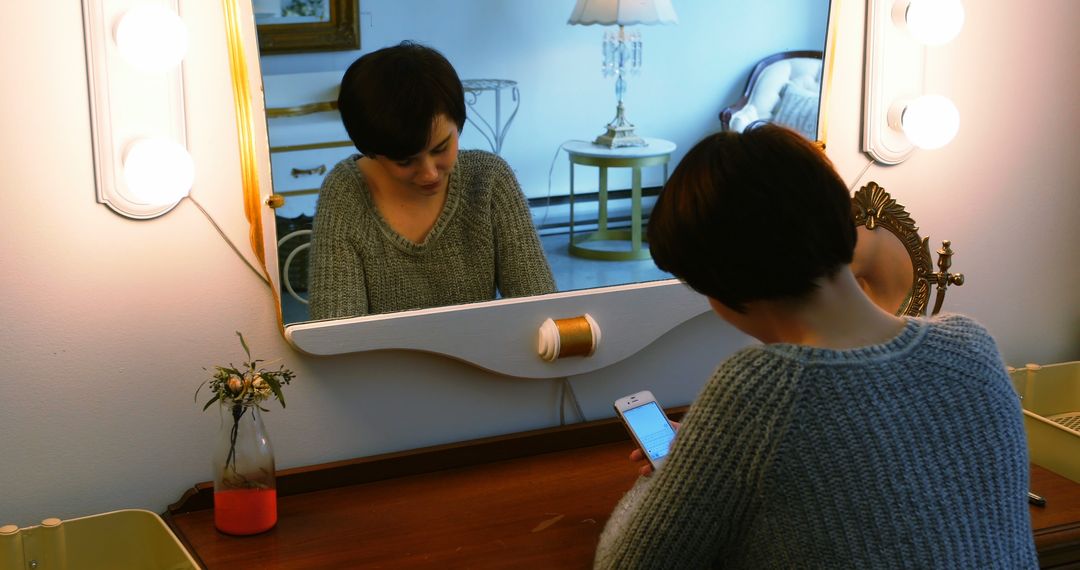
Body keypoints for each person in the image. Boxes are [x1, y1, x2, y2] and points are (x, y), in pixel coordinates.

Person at [594, 125, 1036, 569]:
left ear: (725, 280)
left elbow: (625, 565)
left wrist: (671, 473)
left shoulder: (760, 390)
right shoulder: (971, 350)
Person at [308, 41, 555, 320]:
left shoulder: (489, 180)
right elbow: (336, 331)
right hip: (387, 364)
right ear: (372, 152)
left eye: (440, 149)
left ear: (458, 123)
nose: (429, 173)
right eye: (404, 161)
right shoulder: (347, 192)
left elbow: (539, 308)